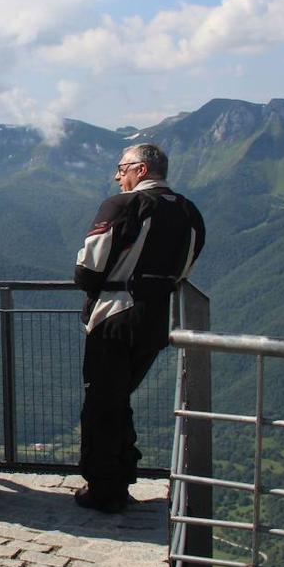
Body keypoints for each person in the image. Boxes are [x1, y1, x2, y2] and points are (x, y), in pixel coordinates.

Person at [73, 143, 205, 513]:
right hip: (156, 319)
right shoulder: (187, 210)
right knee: (119, 398)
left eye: (122, 168)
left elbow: (88, 270)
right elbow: (185, 267)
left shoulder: (121, 206)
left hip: (114, 316)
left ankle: (102, 489)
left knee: (100, 402)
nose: (117, 176)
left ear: (141, 170)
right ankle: (123, 473)